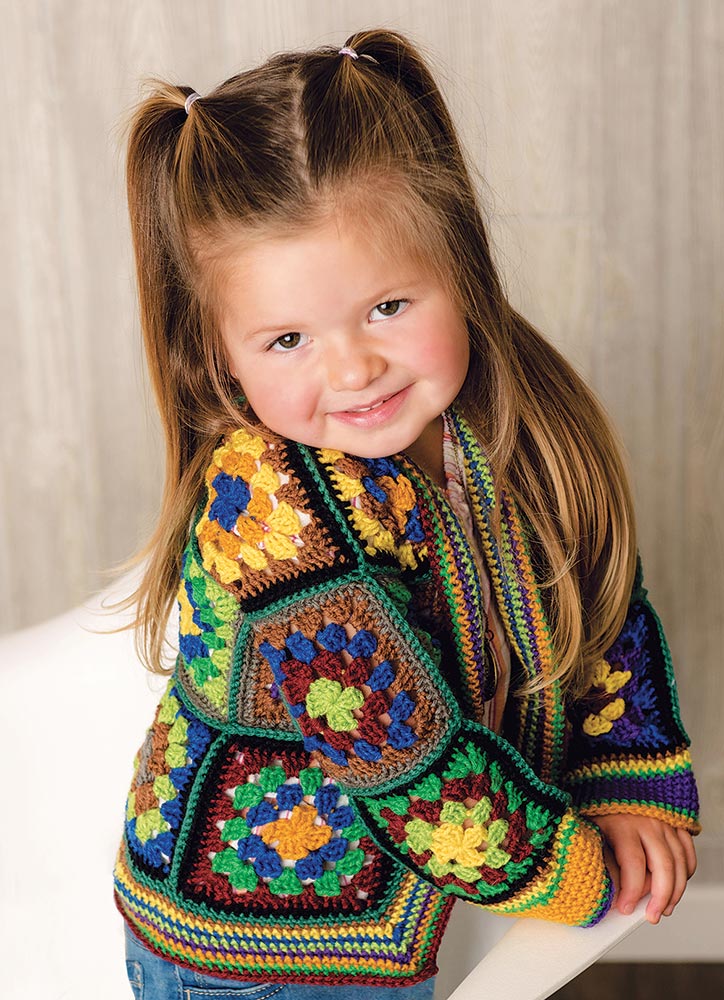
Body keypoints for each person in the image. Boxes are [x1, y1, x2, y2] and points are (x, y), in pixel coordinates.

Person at [113, 28, 700, 999]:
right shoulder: (270, 509)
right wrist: (581, 871)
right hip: (253, 951)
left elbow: (600, 605)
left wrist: (621, 777)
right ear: (218, 356)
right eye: (288, 339)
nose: (353, 368)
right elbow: (402, 759)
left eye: (388, 307)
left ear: (457, 265)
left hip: (425, 896)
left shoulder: (512, 416)